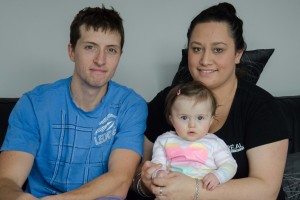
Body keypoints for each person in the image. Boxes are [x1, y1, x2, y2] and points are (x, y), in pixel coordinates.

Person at [130, 2, 288, 200]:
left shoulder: (262, 107)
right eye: (196, 49)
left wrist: (195, 190)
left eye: (218, 50)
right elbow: (135, 173)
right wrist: (146, 184)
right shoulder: (167, 100)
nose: (205, 60)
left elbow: (267, 191)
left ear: (238, 54)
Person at [0, 5, 147, 200]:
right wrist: (19, 198)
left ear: (119, 55)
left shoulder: (131, 106)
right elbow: (6, 182)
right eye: (90, 47)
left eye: (111, 50)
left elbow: (119, 181)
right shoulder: (34, 105)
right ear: (71, 51)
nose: (100, 60)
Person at [151, 81, 237, 193]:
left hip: (204, 192)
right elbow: (157, 164)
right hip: (173, 192)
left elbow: (230, 165)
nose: (192, 124)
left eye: (200, 118)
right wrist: (158, 173)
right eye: (184, 117)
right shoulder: (164, 140)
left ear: (210, 120)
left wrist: (218, 176)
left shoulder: (215, 143)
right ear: (171, 119)